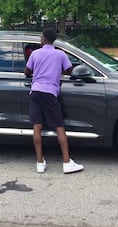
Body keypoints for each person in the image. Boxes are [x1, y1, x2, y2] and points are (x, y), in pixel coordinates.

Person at [24, 28, 84, 174]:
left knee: (37, 127)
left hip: (35, 92)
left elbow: (27, 72)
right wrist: (58, 71)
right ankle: (66, 162)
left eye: (40, 37)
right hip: (50, 93)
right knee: (59, 127)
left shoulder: (35, 54)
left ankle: (39, 162)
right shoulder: (60, 54)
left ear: (44, 39)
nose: (40, 39)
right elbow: (70, 70)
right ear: (53, 40)